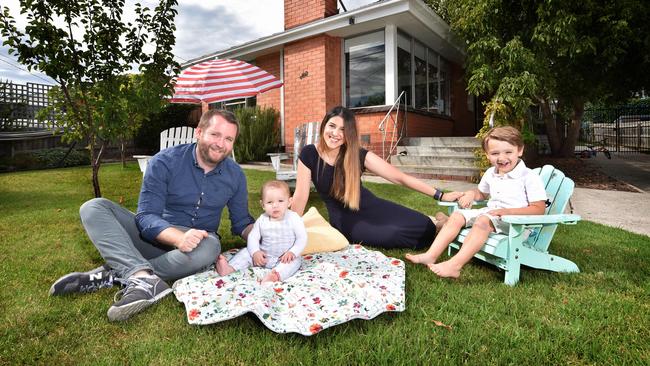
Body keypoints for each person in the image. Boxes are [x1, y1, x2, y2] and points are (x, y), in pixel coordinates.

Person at [49, 109, 255, 321]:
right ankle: (142, 278)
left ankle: (120, 274)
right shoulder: (164, 161)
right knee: (94, 207)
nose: (221, 144)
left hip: (197, 245)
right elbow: (146, 216)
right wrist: (178, 238)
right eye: (215, 134)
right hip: (155, 238)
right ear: (199, 132)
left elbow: (241, 222)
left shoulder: (235, 175)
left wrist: (273, 234)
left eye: (229, 139)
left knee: (211, 247)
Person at [291, 106, 462, 250]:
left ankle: (437, 222)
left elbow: (399, 178)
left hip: (372, 205)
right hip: (346, 221)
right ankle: (439, 224)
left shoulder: (356, 154)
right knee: (393, 235)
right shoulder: (310, 154)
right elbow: (300, 196)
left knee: (421, 224)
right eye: (332, 126)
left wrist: (440, 195)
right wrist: (289, 231)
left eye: (343, 129)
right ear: (324, 126)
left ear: (349, 134)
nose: (335, 133)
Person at [406, 126, 547, 278]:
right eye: (495, 153)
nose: (501, 158)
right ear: (487, 155)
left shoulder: (529, 177)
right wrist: (471, 195)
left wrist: (507, 212)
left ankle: (454, 266)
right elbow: (482, 194)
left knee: (482, 221)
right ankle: (431, 255)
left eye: (508, 152)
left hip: (516, 224)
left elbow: (539, 208)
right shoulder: (491, 173)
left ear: (520, 150)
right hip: (492, 215)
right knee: (457, 216)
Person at [216, 180, 307, 282]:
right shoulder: (262, 220)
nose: (275, 205)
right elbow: (253, 237)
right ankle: (229, 268)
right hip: (263, 257)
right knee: (246, 252)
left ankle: (275, 275)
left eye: (280, 201)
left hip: (284, 258)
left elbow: (302, 238)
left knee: (294, 262)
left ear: (289, 202)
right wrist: (255, 252)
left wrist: (292, 252)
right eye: (269, 202)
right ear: (263, 204)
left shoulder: (293, 218)